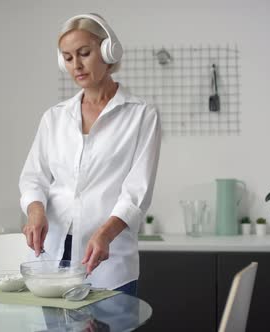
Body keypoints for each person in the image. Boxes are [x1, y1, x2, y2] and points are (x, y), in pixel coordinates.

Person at [19, 13, 162, 295]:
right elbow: (33, 177)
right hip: (52, 260)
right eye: (68, 58)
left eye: (84, 53)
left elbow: (137, 191)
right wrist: (35, 212)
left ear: (109, 51)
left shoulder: (141, 115)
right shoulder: (54, 118)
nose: (77, 65)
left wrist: (105, 233)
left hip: (108, 259)